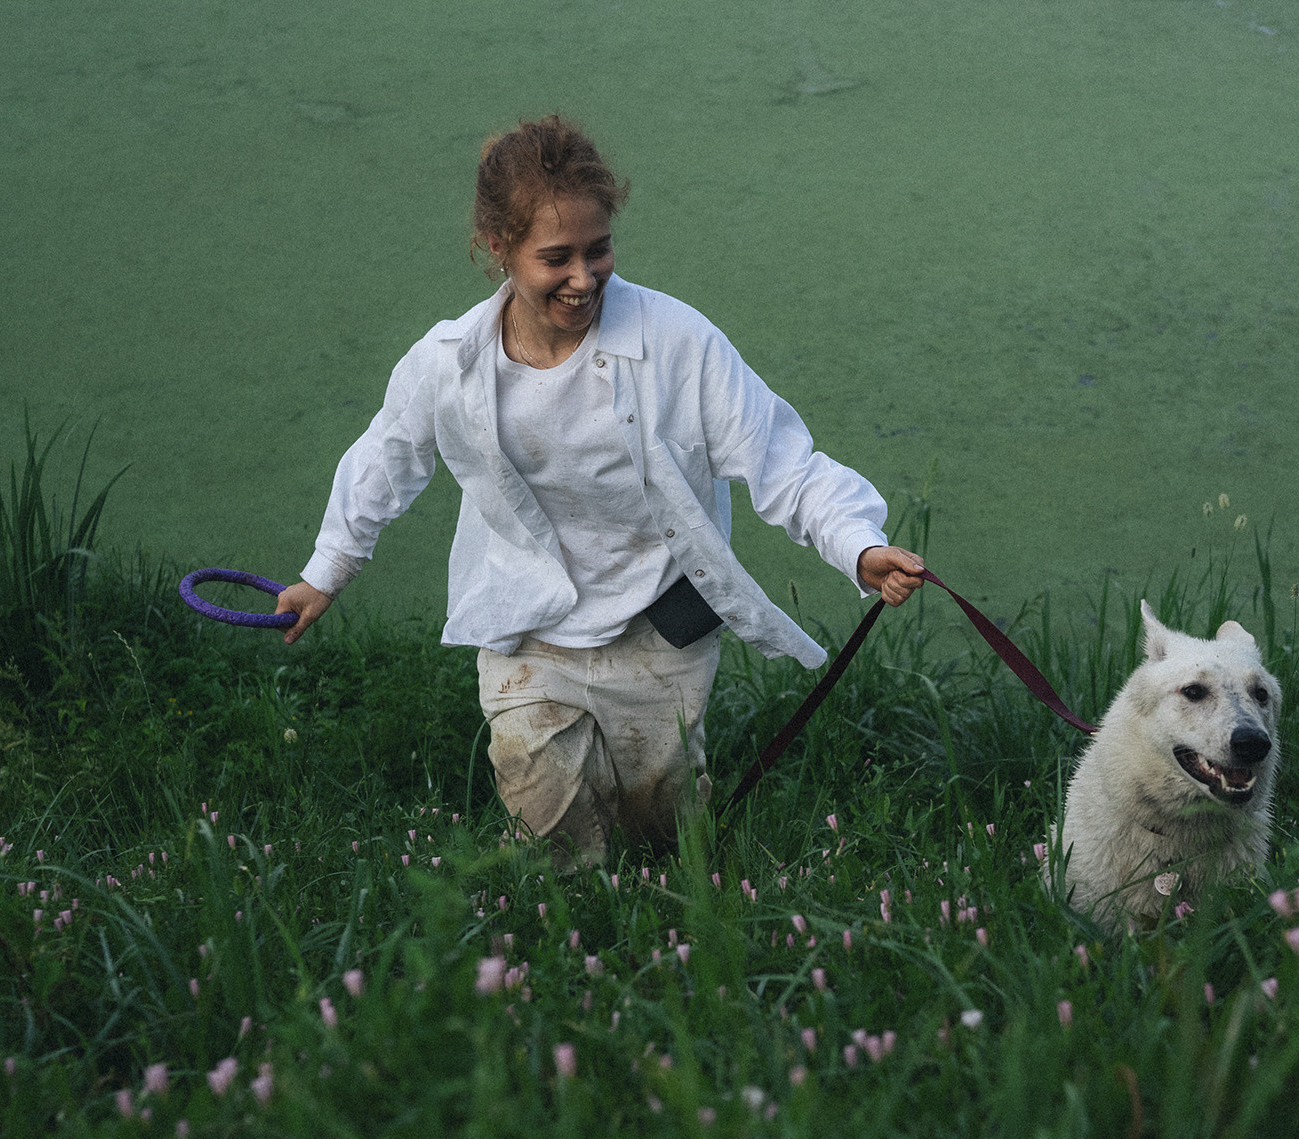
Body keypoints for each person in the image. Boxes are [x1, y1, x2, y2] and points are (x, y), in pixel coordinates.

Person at [274, 114, 922, 865]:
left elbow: (781, 458)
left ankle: (666, 919)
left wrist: (858, 546)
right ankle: (569, 939)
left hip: (658, 627)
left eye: (598, 250)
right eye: (556, 258)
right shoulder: (446, 366)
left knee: (662, 828)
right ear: (498, 250)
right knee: (547, 816)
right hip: (529, 631)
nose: (583, 279)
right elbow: (384, 460)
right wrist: (325, 573)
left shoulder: (679, 343)